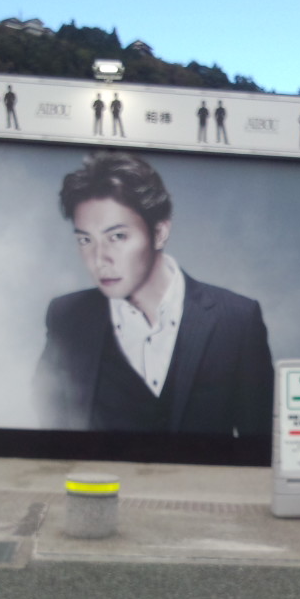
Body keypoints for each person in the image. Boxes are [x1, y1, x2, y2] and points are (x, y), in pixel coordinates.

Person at [34, 152, 273, 434]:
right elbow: (50, 429)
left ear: (159, 233)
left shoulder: (236, 320)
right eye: (85, 240)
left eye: (117, 237)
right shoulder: (67, 316)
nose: (99, 259)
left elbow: (260, 444)